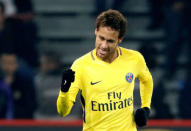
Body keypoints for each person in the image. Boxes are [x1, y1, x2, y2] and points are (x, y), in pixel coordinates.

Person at [57, 10, 153, 131]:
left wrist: (146, 108)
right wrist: (64, 91)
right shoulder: (80, 65)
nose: (103, 45)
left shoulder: (135, 59)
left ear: (120, 39)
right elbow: (63, 112)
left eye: (110, 41)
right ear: (96, 31)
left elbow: (147, 80)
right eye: (101, 38)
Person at [0, 51, 36, 119]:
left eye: (10, 63)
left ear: (16, 65)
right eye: (4, 63)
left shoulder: (25, 84)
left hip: (20, 122)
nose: (7, 67)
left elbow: (30, 106)